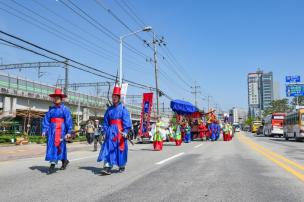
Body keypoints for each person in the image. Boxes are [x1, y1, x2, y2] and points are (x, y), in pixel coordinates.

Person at [97, 86, 132, 175]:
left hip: (120, 132)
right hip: (110, 132)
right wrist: (105, 131)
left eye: (116, 96)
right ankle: (107, 166)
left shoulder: (123, 109)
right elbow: (105, 122)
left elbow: (127, 122)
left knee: (120, 149)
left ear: (119, 98)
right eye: (113, 96)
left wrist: (126, 131)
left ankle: (121, 164)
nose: (114, 98)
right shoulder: (109, 110)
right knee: (109, 149)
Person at [42, 88, 73, 174]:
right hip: (52, 131)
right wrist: (44, 130)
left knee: (61, 146)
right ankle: (53, 164)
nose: (55, 99)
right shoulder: (51, 109)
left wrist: (69, 132)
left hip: (61, 130)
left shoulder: (65, 109)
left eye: (57, 97)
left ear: (61, 99)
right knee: (52, 146)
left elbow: (68, 120)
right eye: (54, 98)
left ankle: (63, 161)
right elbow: (46, 120)